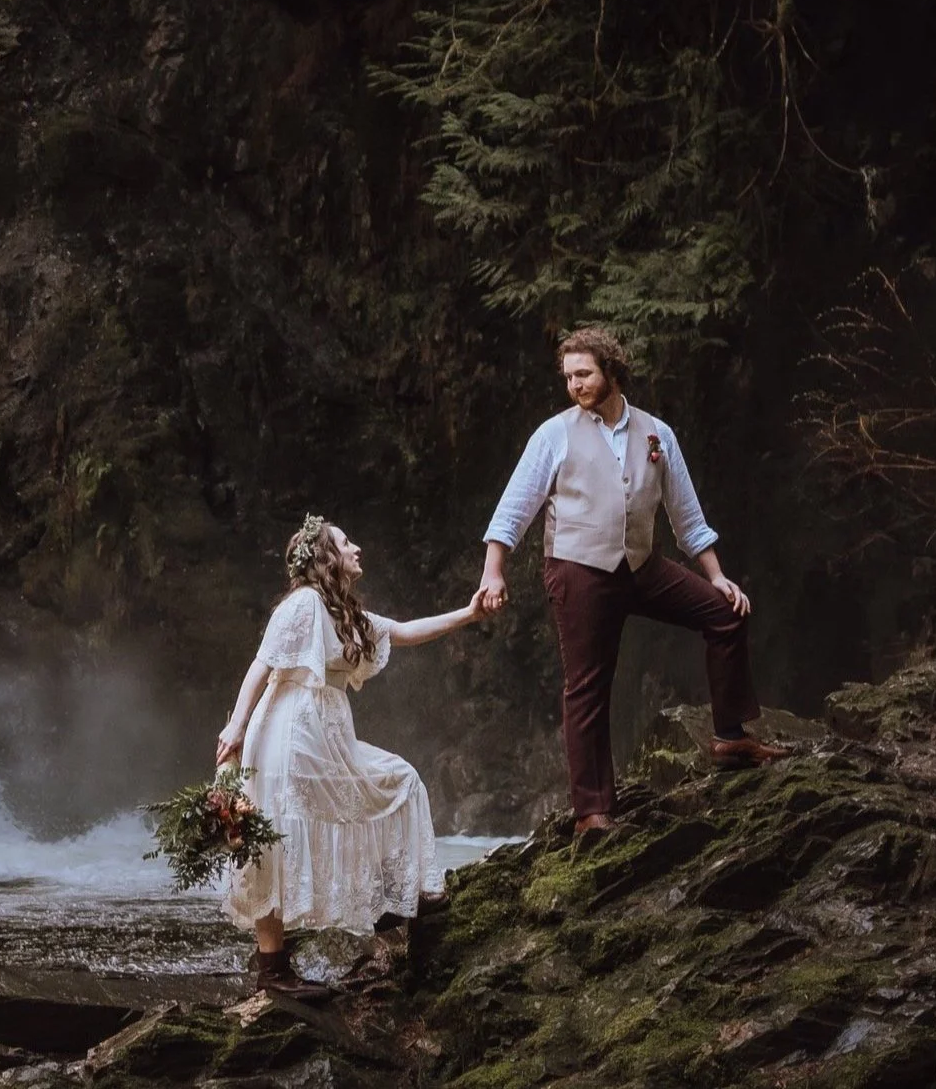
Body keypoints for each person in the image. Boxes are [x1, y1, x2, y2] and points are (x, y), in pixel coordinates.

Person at [474, 326, 790, 838]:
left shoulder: (657, 434)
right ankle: (592, 812)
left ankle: (730, 737)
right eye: (568, 376)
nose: (574, 384)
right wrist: (494, 569)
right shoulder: (554, 434)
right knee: (587, 687)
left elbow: (686, 515)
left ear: (611, 370)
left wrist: (717, 576)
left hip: (641, 567)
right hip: (578, 570)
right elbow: (515, 507)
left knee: (725, 614)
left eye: (584, 373)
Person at [214, 515, 483, 998]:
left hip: (325, 734)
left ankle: (397, 902)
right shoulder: (302, 604)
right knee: (277, 832)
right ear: (325, 558)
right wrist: (234, 726)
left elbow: (403, 631)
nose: (356, 547)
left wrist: (468, 614)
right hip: (288, 731)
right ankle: (274, 972)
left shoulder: (345, 613)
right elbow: (263, 663)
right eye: (345, 542)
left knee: (397, 781)